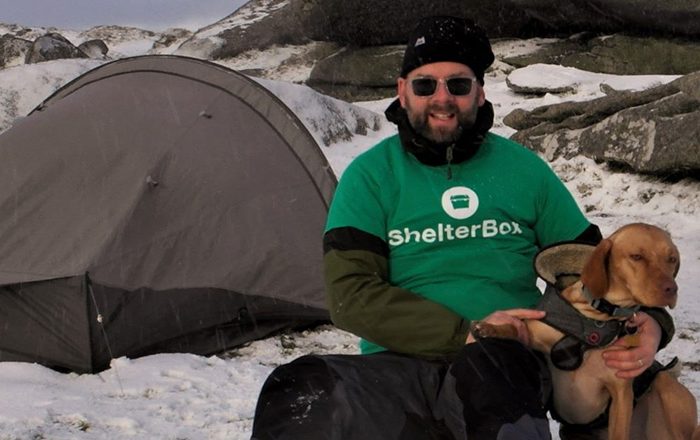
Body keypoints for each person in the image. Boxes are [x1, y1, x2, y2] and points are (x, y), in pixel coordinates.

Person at [251, 15, 674, 440]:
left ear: (479, 92)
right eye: (424, 85)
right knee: (295, 387)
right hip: (396, 366)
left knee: (495, 373)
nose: (442, 98)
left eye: (458, 84)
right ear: (402, 90)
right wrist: (464, 333)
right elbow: (350, 296)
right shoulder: (370, 176)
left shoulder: (522, 170)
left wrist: (654, 320)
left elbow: (598, 265)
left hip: (506, 360)